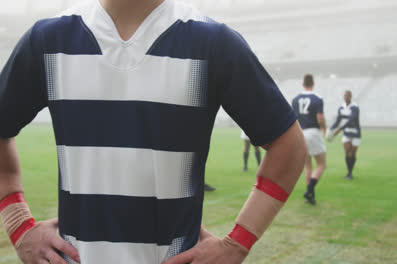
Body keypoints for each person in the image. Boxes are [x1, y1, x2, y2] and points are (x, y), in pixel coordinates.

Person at [0, 0, 307, 263]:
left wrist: (237, 243)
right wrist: (17, 224)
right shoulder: (49, 40)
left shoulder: (213, 43)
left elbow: (289, 146)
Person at [292, 74, 327, 205]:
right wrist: (324, 129)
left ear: (303, 84)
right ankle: (310, 189)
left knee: (308, 166)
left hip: (301, 132)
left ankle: (310, 196)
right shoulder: (317, 99)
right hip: (313, 131)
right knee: (321, 164)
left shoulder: (295, 99)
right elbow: (320, 118)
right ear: (313, 83)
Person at [331, 90, 361, 180]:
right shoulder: (341, 108)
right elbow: (338, 120)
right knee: (347, 151)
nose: (346, 97)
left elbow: (351, 120)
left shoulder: (355, 107)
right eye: (344, 96)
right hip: (347, 132)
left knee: (353, 153)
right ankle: (349, 172)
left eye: (347, 96)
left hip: (355, 133)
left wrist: (339, 129)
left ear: (350, 97)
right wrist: (330, 129)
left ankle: (350, 171)